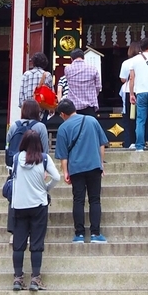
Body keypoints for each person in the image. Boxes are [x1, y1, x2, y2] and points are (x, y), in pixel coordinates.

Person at [10, 128, 59, 291]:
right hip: (38, 204)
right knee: (37, 242)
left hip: (19, 205)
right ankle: (35, 278)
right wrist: (46, 188)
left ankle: (18, 278)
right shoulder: (44, 159)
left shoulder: (17, 158)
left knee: (19, 243)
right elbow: (57, 177)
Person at [54, 97, 108, 244]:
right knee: (95, 199)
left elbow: (63, 156)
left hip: (76, 168)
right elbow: (102, 144)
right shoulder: (91, 121)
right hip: (94, 165)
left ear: (63, 114)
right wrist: (101, 164)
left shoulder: (63, 128)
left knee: (78, 200)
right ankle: (96, 234)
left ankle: (79, 234)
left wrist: (65, 172)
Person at [5, 100, 50, 234]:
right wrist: (45, 169)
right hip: (36, 167)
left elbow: (7, 146)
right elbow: (45, 151)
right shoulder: (40, 127)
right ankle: (34, 231)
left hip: (16, 166)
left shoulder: (14, 126)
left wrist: (10, 165)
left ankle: (14, 230)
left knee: (15, 196)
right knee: (36, 196)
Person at [63, 48, 101, 117]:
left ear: (71, 58)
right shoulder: (93, 69)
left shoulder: (67, 69)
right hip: (89, 105)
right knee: (88, 126)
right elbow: (98, 86)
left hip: (73, 106)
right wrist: (93, 95)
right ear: (84, 57)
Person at [118, 42, 141, 148]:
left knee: (129, 117)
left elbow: (123, 79)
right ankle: (142, 140)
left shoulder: (126, 63)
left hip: (129, 92)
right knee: (141, 117)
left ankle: (130, 142)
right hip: (142, 90)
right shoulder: (143, 61)